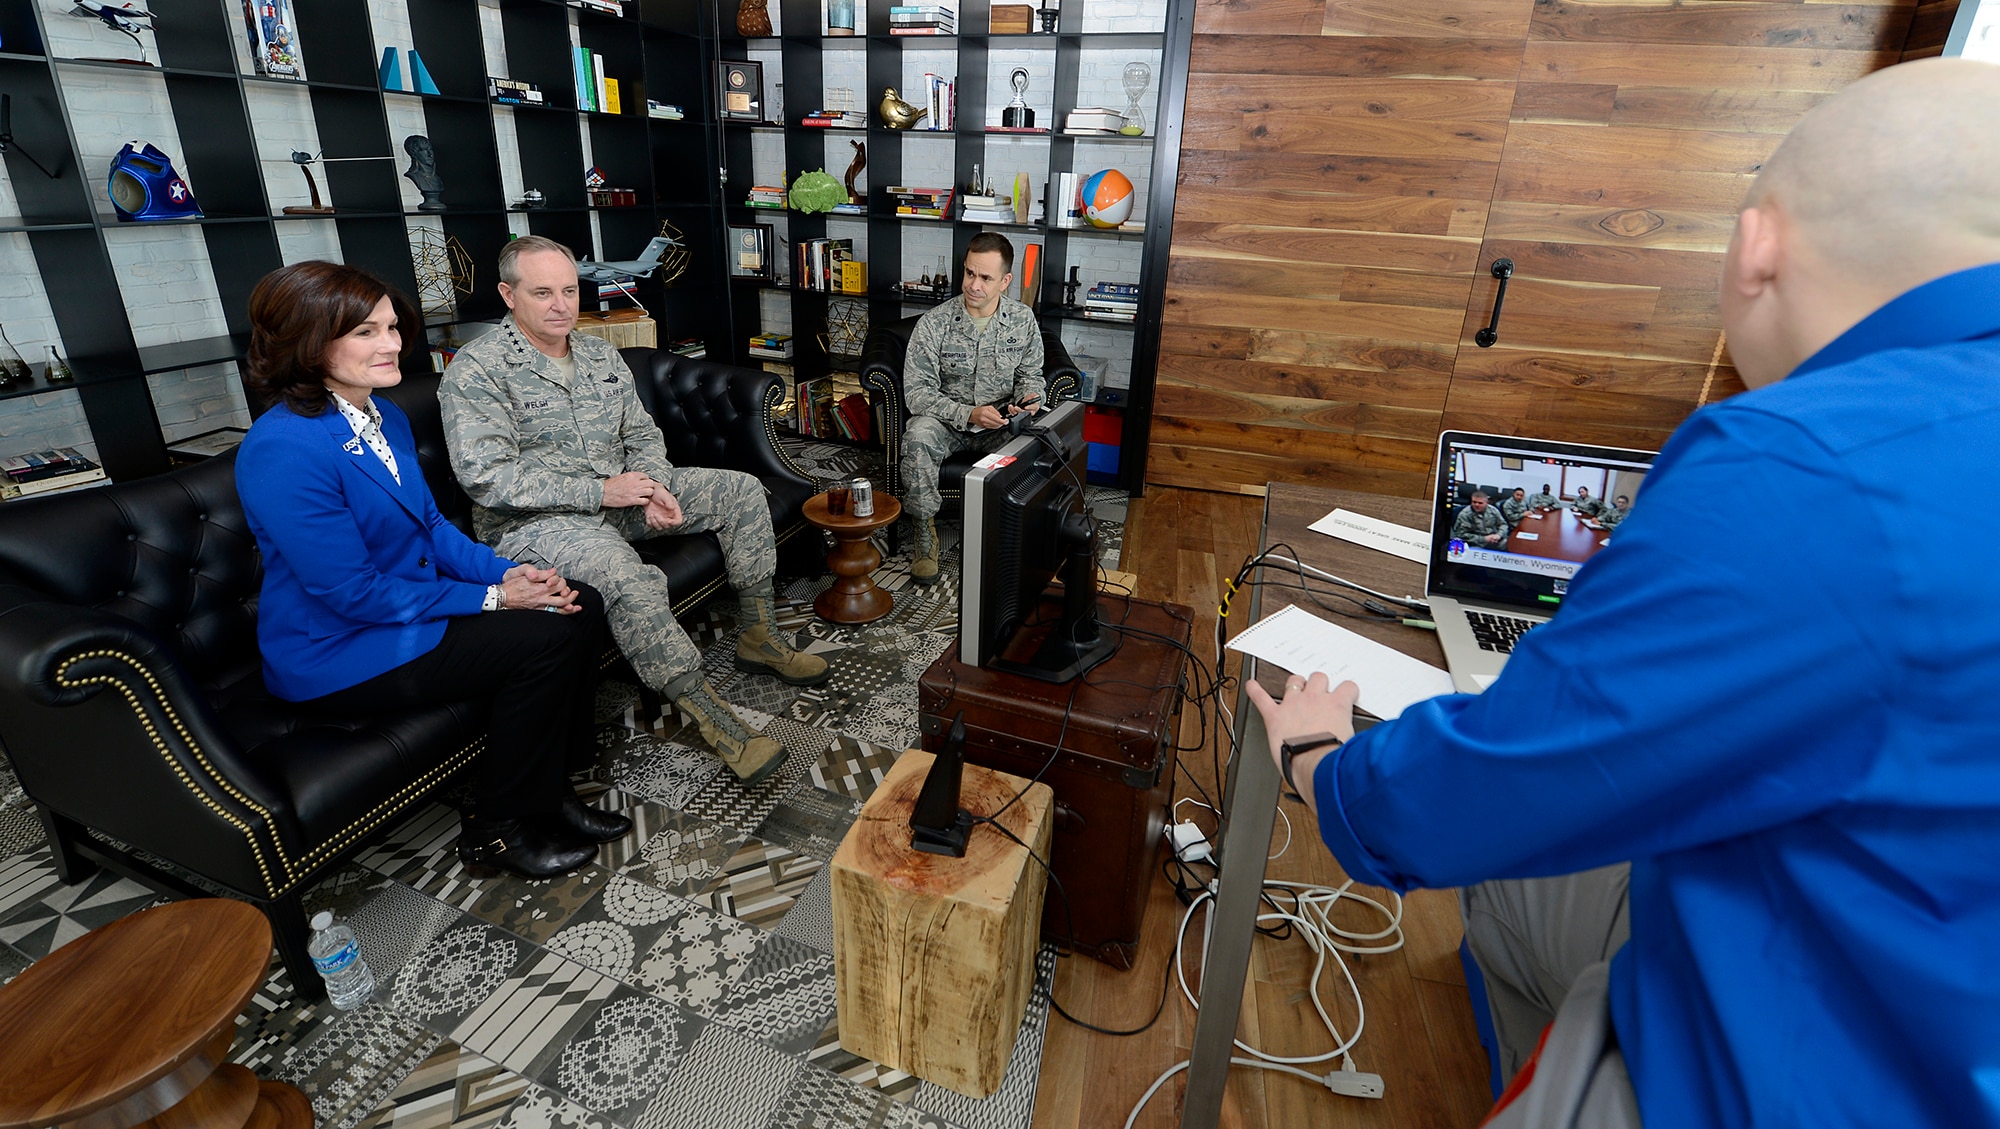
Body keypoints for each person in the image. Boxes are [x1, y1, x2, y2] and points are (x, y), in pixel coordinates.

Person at [1247, 59, 2000, 1128]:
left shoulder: (1803, 463)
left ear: (1754, 246)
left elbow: (1477, 796)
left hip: (1795, 1075)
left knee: (1510, 872)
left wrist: (1320, 762)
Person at [234, 261, 630, 880]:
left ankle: (551, 791)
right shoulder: (282, 449)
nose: (392, 344)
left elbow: (434, 529)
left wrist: (512, 572)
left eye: (391, 327)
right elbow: (352, 592)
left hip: (406, 608)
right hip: (341, 647)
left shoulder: (383, 416)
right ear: (308, 343)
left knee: (579, 601)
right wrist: (496, 600)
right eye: (366, 333)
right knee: (545, 635)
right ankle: (498, 828)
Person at [439, 236, 822, 788]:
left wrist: (656, 486)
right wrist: (602, 491)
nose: (560, 305)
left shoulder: (597, 353)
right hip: (538, 527)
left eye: (569, 290)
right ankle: (717, 722)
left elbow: (642, 434)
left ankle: (758, 636)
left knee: (741, 491)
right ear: (507, 294)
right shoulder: (478, 369)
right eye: (542, 292)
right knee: (626, 576)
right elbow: (489, 478)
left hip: (624, 499)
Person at [899, 231, 1046, 584]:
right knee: (917, 435)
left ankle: (1014, 532)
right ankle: (923, 533)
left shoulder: (1023, 320)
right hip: (949, 423)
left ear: (1006, 281)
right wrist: (967, 413)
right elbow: (916, 393)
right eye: (969, 273)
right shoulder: (934, 323)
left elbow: (1031, 374)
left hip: (999, 425)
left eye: (985, 277)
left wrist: (1028, 402)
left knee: (1040, 443)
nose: (973, 285)